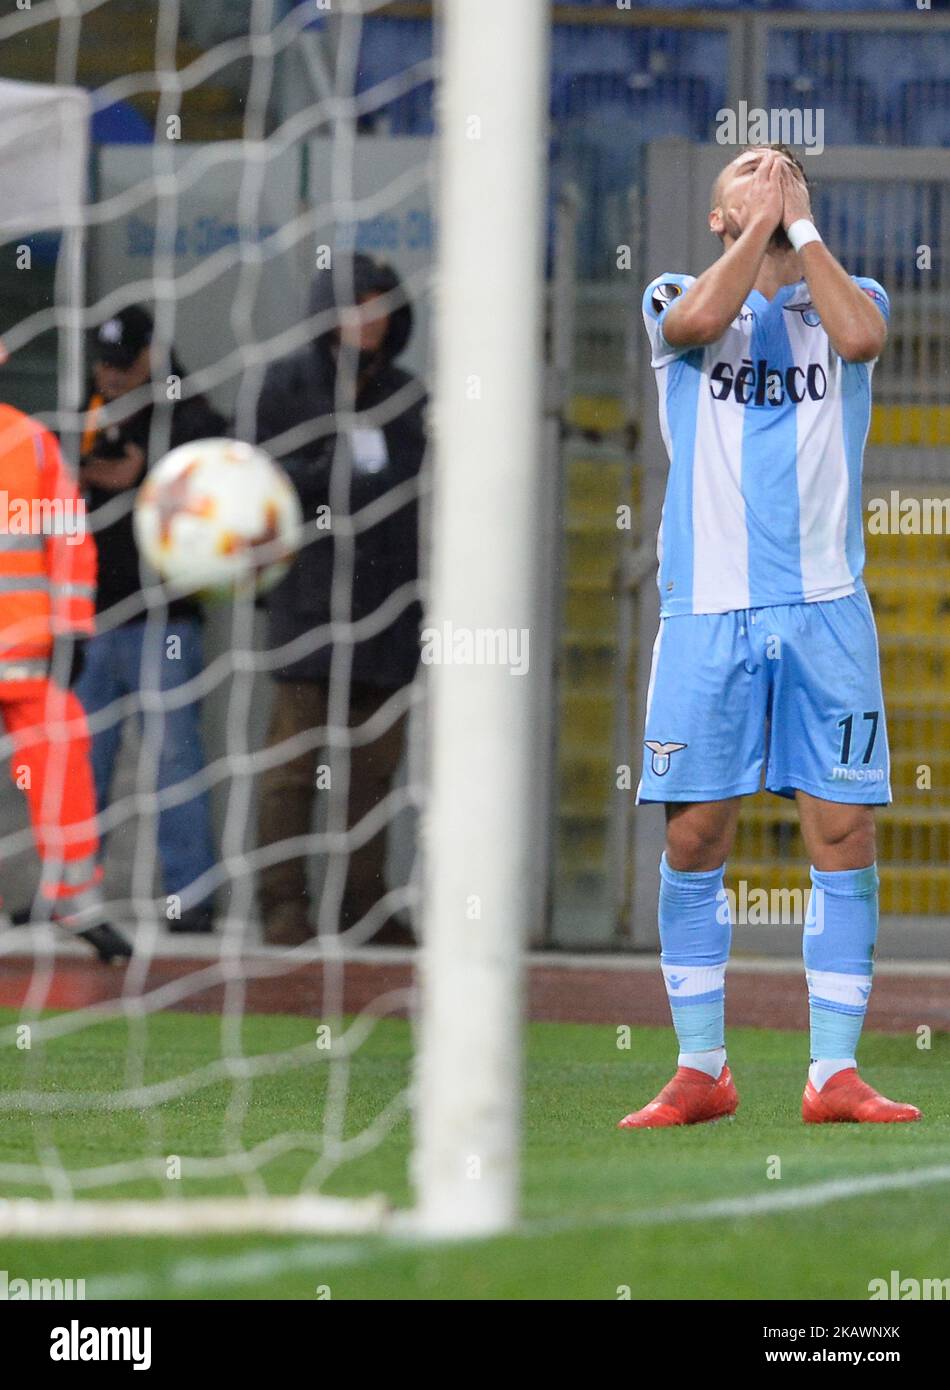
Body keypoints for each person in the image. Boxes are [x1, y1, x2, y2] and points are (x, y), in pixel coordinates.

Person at [620, 144, 920, 1129]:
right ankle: (700, 1065)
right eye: (749, 165)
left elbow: (862, 340)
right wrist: (759, 229)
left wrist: (801, 232)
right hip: (706, 609)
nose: (771, 168)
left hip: (825, 611)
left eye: (784, 164)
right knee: (695, 832)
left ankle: (831, 1072)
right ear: (716, 215)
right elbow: (702, 320)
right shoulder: (674, 293)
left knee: (841, 830)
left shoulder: (845, 292)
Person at [255, 255, 426, 947]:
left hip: (386, 610)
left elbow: (407, 489)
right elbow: (263, 476)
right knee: (291, 769)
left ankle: (365, 908)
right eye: (358, 305)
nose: (370, 320)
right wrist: (329, 467)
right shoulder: (288, 382)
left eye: (381, 306)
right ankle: (281, 909)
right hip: (308, 606)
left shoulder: (408, 394)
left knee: (374, 774)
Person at [75, 305, 226, 934]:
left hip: (163, 616)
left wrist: (151, 477)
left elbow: (219, 478)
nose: (109, 376)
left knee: (173, 758)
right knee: (83, 760)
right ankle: (70, 891)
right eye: (102, 362)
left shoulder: (186, 411)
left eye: (122, 363)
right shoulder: (81, 409)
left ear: (149, 357)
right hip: (91, 614)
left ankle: (191, 897)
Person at [0, 400, 131, 962]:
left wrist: (74, 629)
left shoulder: (30, 441)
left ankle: (74, 900)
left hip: (29, 654)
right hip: (29, 650)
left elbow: (70, 536)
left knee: (64, 764)